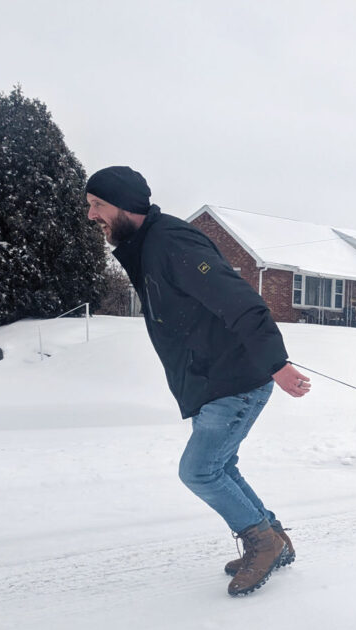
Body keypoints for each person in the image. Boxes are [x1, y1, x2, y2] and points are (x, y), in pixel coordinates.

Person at [85, 165, 312, 597]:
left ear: (126, 205)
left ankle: (262, 542)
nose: (91, 215)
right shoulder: (147, 245)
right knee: (220, 466)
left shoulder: (172, 243)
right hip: (213, 379)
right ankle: (274, 539)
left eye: (98, 205)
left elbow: (240, 300)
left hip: (236, 380)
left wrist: (276, 363)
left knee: (199, 471)